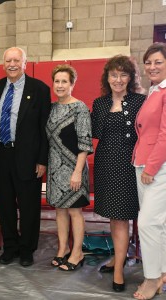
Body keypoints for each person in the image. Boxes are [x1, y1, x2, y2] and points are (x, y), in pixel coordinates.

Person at [0, 47, 51, 267]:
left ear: (25, 63)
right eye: (8, 60)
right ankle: (10, 247)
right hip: (1, 153)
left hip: (28, 157)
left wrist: (42, 160)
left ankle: (27, 249)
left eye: (17, 60)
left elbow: (45, 129)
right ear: (3, 64)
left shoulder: (40, 89)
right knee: (5, 205)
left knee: (29, 206)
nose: (12, 64)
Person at [91, 55, 146, 292]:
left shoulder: (140, 101)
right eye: (114, 74)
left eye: (123, 74)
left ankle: (118, 270)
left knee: (122, 217)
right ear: (107, 77)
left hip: (127, 166)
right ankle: (118, 258)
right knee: (114, 218)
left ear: (131, 78)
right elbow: (93, 133)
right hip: (105, 164)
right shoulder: (100, 103)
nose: (118, 79)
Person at [46, 65, 93, 271]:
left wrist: (77, 172)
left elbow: (84, 142)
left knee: (75, 211)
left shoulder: (80, 108)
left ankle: (77, 252)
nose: (60, 85)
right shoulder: (51, 107)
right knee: (60, 211)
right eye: (57, 81)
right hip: (55, 169)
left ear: (72, 84)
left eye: (65, 81)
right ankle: (63, 249)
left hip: (75, 169)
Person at [132, 42, 166, 300]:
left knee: (147, 223)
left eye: (158, 62)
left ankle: (153, 278)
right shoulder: (154, 91)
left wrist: (151, 167)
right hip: (143, 163)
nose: (152, 67)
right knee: (158, 224)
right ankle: (162, 271)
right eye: (148, 62)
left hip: (157, 167)